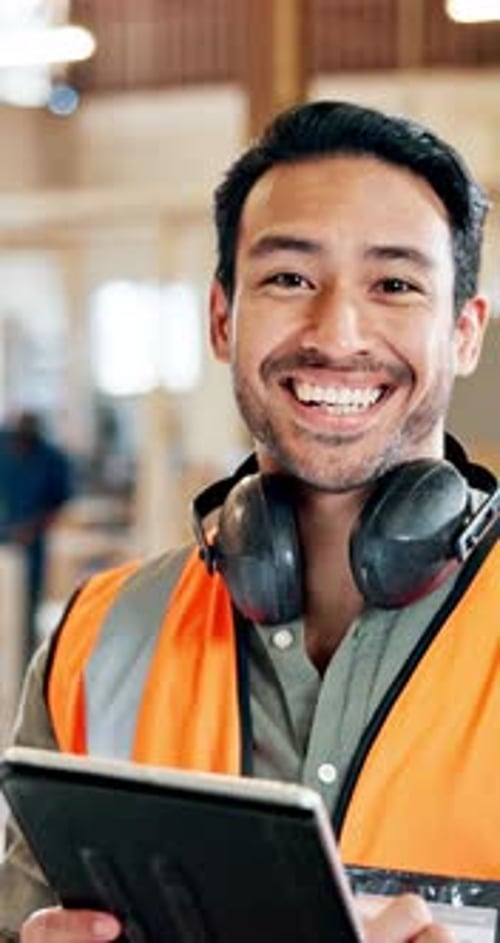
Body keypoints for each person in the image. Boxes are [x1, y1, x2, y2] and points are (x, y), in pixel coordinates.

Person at [1, 99, 498, 942]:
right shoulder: (98, 640)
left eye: (395, 284)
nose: (338, 332)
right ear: (222, 318)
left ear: (464, 332)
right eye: (290, 278)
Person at [0, 411, 73, 667]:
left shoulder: (52, 460)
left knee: (24, 605)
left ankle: (22, 664)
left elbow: (60, 503)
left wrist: (34, 526)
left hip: (30, 545)